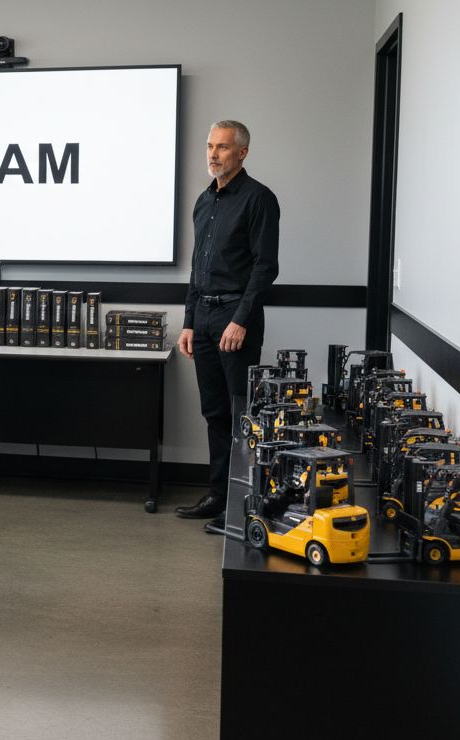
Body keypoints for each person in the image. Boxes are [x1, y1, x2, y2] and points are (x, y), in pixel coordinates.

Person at [175, 120, 280, 526]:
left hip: (236, 318)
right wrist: (188, 321)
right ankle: (218, 496)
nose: (213, 154)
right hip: (202, 318)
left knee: (241, 417)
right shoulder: (205, 201)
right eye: (209, 146)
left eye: (221, 147)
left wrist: (240, 320)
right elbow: (197, 268)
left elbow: (265, 267)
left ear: (242, 153)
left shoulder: (259, 199)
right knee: (214, 413)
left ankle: (242, 504)